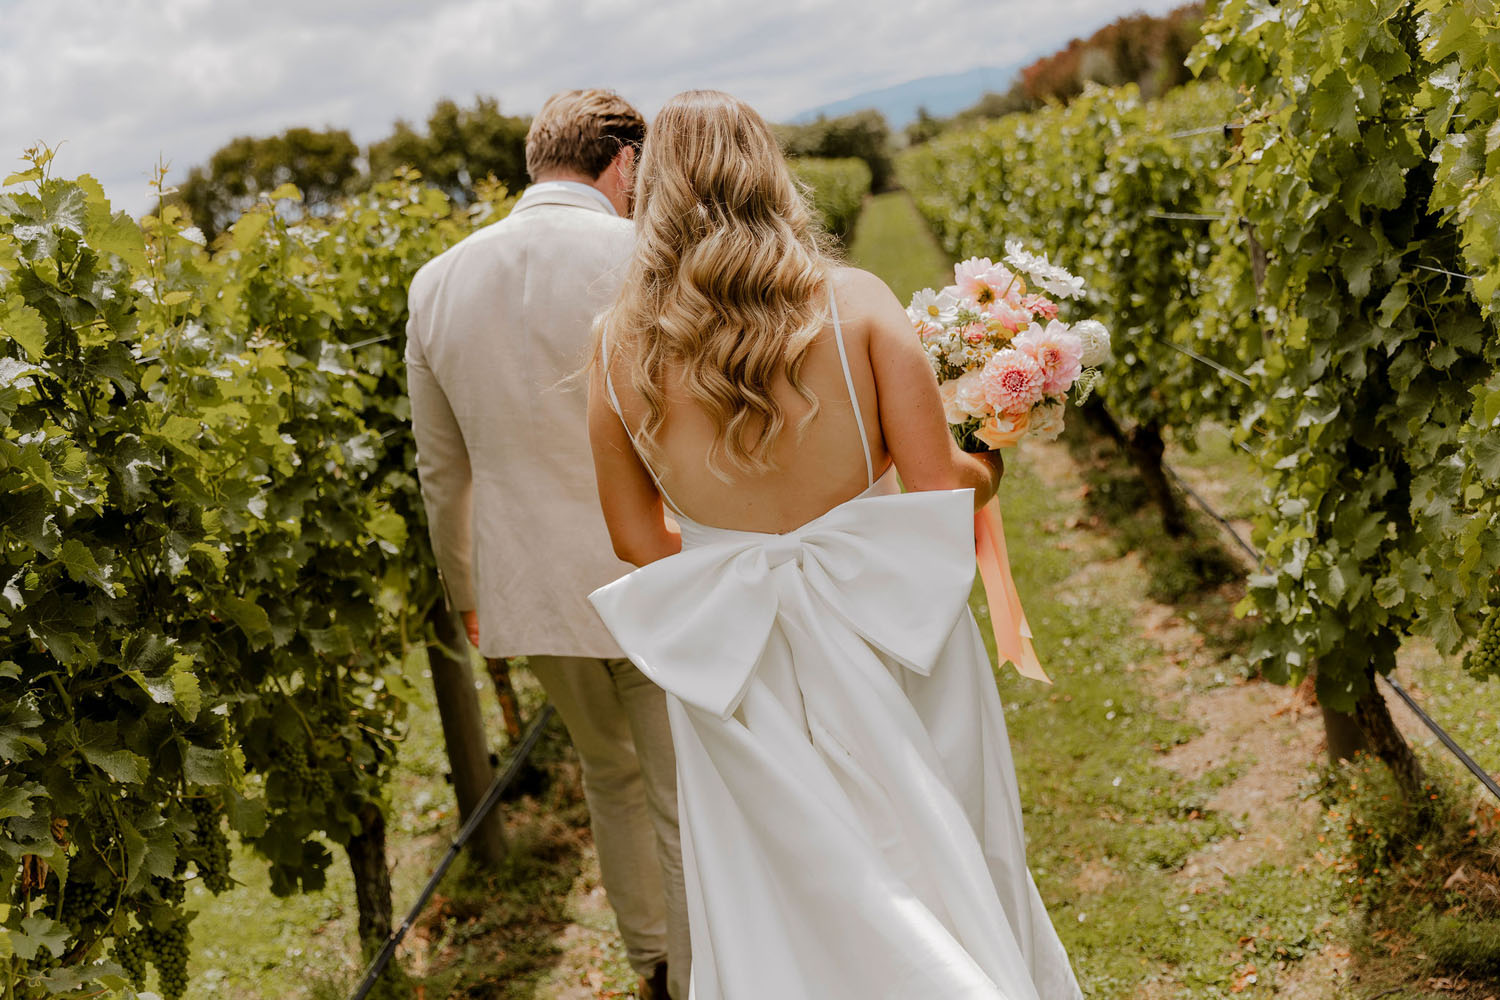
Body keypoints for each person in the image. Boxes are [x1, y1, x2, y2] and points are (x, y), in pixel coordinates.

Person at [586, 89, 1083, 999]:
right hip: (891, 632)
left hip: (739, 663)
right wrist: (990, 461)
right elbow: (939, 483)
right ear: (769, 171)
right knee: (952, 845)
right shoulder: (855, 303)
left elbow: (631, 537)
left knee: (781, 891)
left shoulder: (616, 346)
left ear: (650, 189)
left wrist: (733, 578)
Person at [405, 89, 687, 1000]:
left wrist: (469, 592)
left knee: (609, 776)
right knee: (683, 791)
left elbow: (441, 471)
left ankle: (649, 960)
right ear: (626, 162)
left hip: (531, 583)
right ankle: (699, 972)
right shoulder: (645, 252)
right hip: (660, 562)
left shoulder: (436, 280)